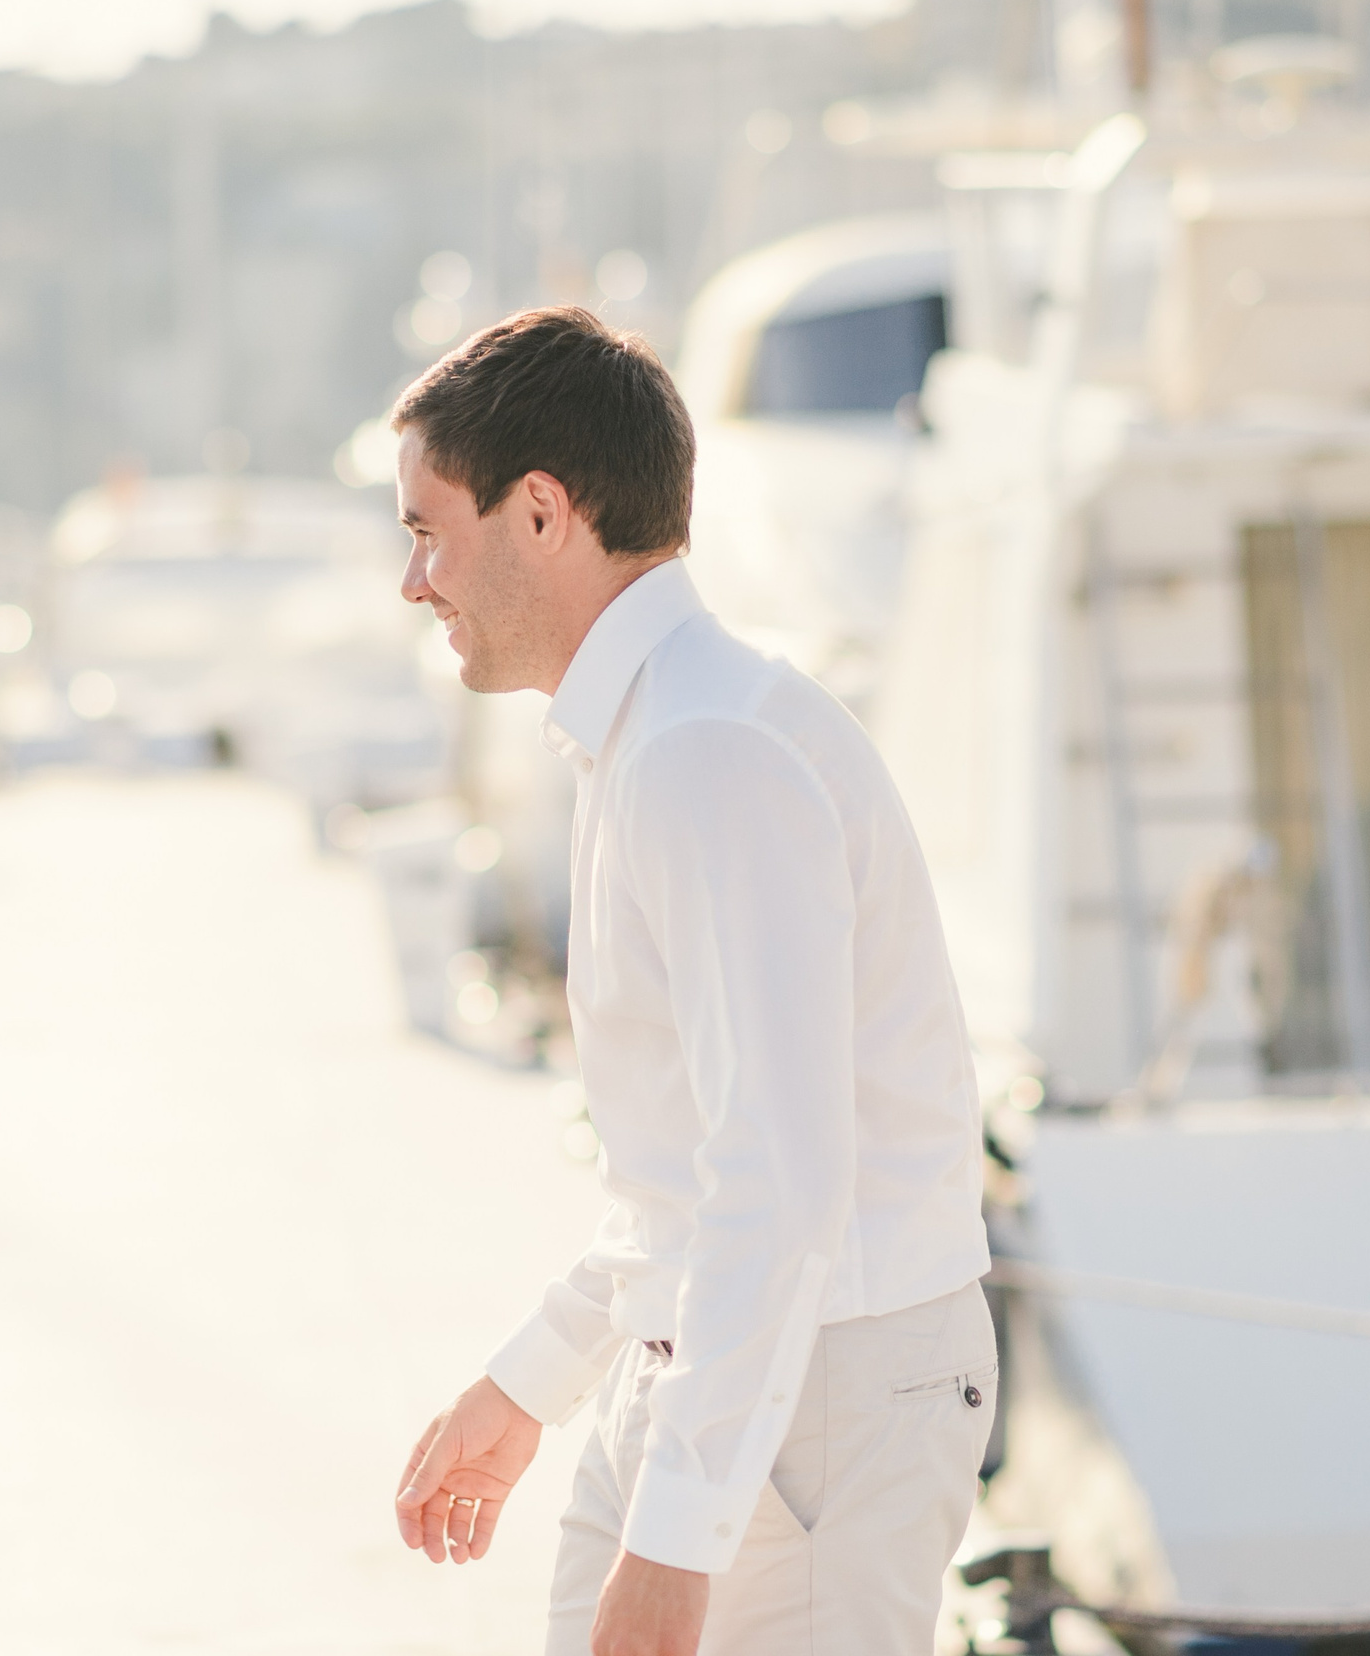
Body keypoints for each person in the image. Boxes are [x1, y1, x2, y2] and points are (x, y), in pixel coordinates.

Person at [388, 309, 996, 1656]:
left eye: (428, 530)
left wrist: (677, 1546)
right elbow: (694, 1176)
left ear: (540, 513)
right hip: (731, 1382)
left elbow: (780, 1179)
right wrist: (533, 1381)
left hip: (817, 1402)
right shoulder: (666, 733)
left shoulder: (704, 754)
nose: (413, 579)